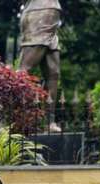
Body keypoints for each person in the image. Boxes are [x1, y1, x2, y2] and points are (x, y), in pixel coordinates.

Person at [19, 0, 62, 133]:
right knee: (25, 70)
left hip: (52, 15)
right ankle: (11, 117)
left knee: (53, 74)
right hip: (38, 14)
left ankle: (50, 121)